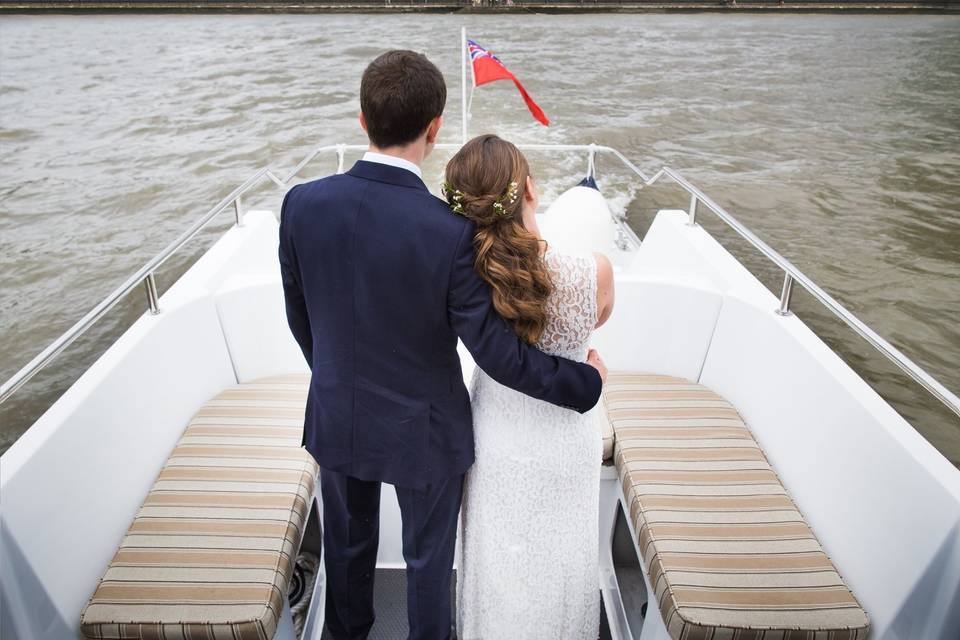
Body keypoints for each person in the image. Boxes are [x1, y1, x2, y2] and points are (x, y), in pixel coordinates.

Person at [278, 50, 607, 640]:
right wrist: (587, 382)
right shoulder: (450, 232)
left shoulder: (301, 205)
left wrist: (335, 379)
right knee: (427, 568)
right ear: (434, 129)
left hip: (338, 415)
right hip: (423, 431)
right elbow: (498, 357)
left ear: (362, 120)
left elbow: (300, 317)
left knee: (346, 558)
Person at [446, 134, 615, 639]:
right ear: (531, 191)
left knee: (498, 561)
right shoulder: (595, 274)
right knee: (561, 560)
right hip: (566, 437)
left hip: (496, 433)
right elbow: (599, 321)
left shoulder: (469, 277)